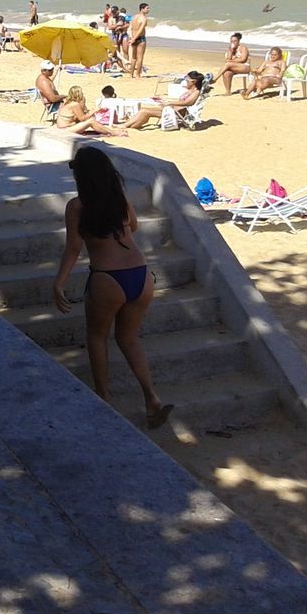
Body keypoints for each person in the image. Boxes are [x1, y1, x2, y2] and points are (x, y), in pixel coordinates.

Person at [53, 147, 171, 429]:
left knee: (96, 336)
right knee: (129, 338)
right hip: (141, 275)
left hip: (108, 277)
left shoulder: (77, 207)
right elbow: (135, 226)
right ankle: (152, 398)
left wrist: (59, 282)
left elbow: (72, 249)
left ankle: (104, 399)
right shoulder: (119, 199)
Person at [122, 71, 204, 129]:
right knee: (143, 110)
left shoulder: (196, 92)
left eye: (187, 80)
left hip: (177, 113)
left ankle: (124, 126)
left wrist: (169, 103)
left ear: (193, 82)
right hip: (172, 110)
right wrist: (166, 102)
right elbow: (182, 101)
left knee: (145, 112)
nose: (185, 81)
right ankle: (128, 125)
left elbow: (188, 102)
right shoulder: (191, 91)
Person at [55, 86, 128, 137]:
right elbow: (82, 118)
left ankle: (111, 131)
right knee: (91, 121)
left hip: (63, 128)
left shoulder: (68, 103)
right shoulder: (75, 104)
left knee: (91, 121)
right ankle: (114, 132)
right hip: (65, 130)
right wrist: (94, 111)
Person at [128, 3, 150, 78]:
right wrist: (134, 39)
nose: (148, 10)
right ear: (142, 9)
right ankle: (137, 74)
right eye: (147, 8)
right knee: (140, 57)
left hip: (133, 37)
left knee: (134, 57)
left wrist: (131, 38)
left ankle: (131, 74)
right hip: (140, 38)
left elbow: (131, 28)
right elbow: (140, 30)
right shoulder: (143, 18)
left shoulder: (134, 17)